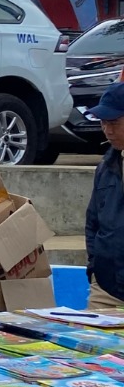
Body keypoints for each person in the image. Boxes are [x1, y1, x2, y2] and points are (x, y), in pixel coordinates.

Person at [85, 83, 124, 309]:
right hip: (106, 289)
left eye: (114, 123)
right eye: (103, 123)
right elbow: (93, 222)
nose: (107, 130)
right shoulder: (106, 166)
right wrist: (94, 269)